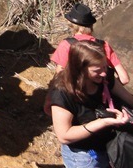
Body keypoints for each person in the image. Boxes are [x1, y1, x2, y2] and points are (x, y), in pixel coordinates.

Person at [50, 40, 133, 168]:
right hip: (84, 156)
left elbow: (128, 99)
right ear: (80, 69)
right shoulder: (63, 92)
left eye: (105, 67)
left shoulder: (105, 78)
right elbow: (64, 135)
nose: (104, 73)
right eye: (97, 70)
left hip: (108, 145)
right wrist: (103, 122)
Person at [51, 3, 129, 85]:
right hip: (99, 95)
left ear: (72, 25)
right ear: (91, 25)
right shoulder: (103, 45)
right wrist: (108, 89)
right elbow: (124, 79)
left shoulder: (66, 44)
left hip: (76, 93)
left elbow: (59, 76)